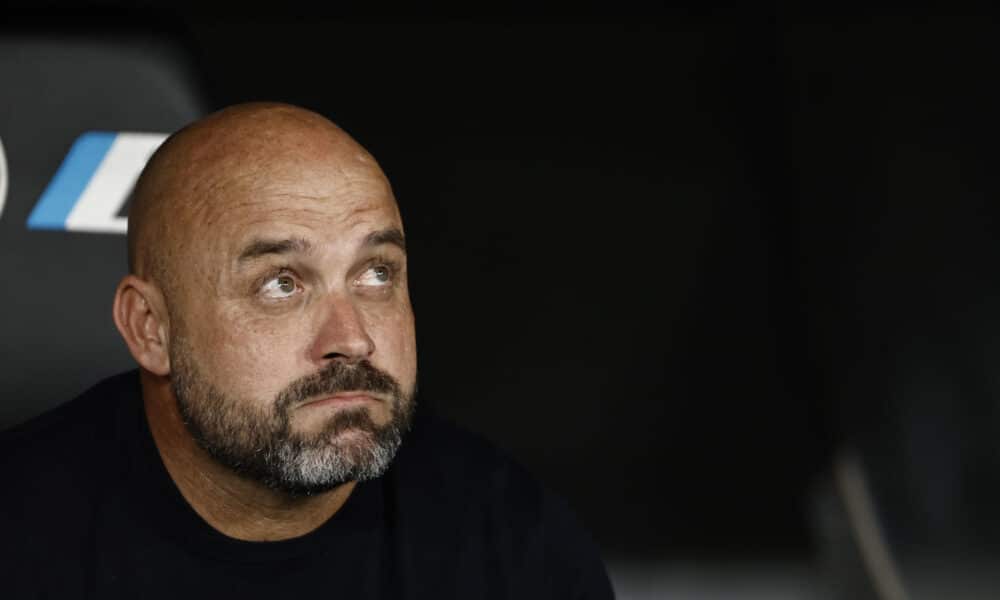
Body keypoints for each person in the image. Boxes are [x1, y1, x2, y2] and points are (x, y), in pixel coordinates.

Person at [0, 103, 614, 598]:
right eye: (281, 284)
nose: (352, 338)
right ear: (150, 329)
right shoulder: (22, 540)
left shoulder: (510, 543)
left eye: (377, 273)